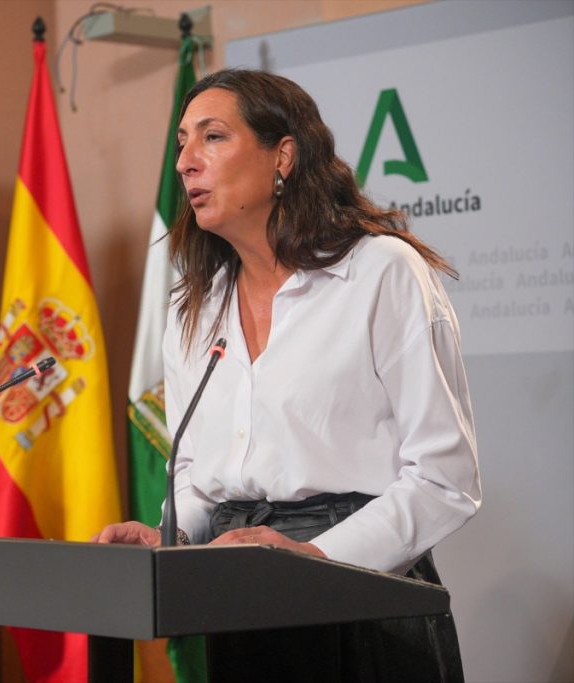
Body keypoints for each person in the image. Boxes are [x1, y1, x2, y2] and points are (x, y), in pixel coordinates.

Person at [93, 69, 480, 681]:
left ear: (284, 156)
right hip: (243, 600)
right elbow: (197, 475)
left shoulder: (381, 272)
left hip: (365, 604)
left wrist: (315, 558)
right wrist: (170, 534)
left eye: (212, 138)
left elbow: (445, 478)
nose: (188, 162)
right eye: (181, 144)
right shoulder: (193, 305)